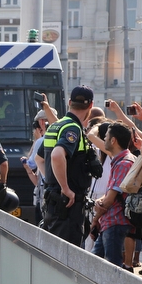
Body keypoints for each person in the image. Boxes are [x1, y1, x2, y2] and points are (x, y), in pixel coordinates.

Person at [43, 85, 96, 246]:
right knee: (67, 258)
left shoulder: (56, 126)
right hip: (67, 206)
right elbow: (57, 155)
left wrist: (53, 180)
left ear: (70, 102)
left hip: (54, 201)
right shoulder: (72, 128)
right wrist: (66, 188)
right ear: (91, 105)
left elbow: (40, 158)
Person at [90, 123, 135, 266]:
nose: (104, 139)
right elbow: (110, 194)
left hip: (115, 221)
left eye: (106, 137)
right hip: (110, 222)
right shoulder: (123, 160)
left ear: (113, 140)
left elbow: (109, 200)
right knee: (93, 263)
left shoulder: (123, 163)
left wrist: (98, 205)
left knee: (112, 268)